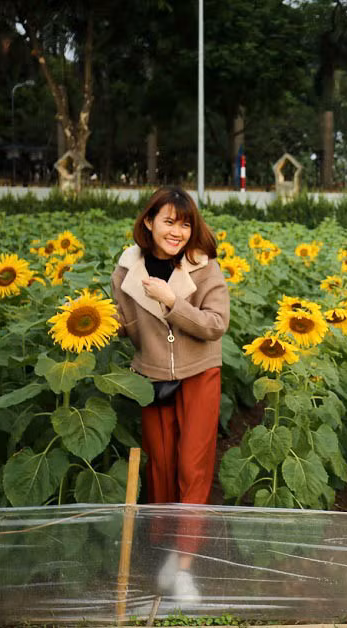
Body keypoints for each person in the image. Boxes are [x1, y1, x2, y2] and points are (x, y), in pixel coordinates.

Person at [111, 185, 230, 603]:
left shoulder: (204, 267)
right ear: (149, 222)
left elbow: (216, 324)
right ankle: (163, 551)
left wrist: (171, 302)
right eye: (168, 221)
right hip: (153, 378)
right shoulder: (125, 271)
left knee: (192, 466)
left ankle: (183, 565)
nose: (177, 231)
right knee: (160, 467)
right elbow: (127, 329)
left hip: (200, 374)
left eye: (185, 223)